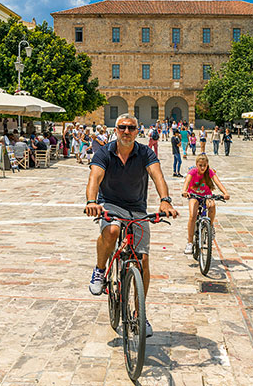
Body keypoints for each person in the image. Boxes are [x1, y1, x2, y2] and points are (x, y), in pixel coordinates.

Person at [83, 113, 179, 338]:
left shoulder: (145, 152)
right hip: (110, 204)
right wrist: (91, 202)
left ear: (138, 131)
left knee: (143, 260)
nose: (126, 132)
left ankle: (140, 314)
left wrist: (165, 200)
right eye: (122, 127)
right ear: (115, 130)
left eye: (131, 128)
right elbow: (94, 179)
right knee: (113, 230)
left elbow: (158, 176)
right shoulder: (103, 152)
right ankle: (99, 270)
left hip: (137, 209)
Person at [182, 154, 230, 254]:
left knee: (212, 205)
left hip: (207, 195)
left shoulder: (210, 172)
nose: (203, 167)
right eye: (200, 165)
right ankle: (189, 242)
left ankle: (210, 226)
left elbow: (218, 183)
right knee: (192, 215)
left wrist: (225, 193)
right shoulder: (193, 172)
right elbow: (187, 181)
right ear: (196, 165)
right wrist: (184, 191)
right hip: (194, 195)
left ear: (207, 164)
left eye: (205, 165)